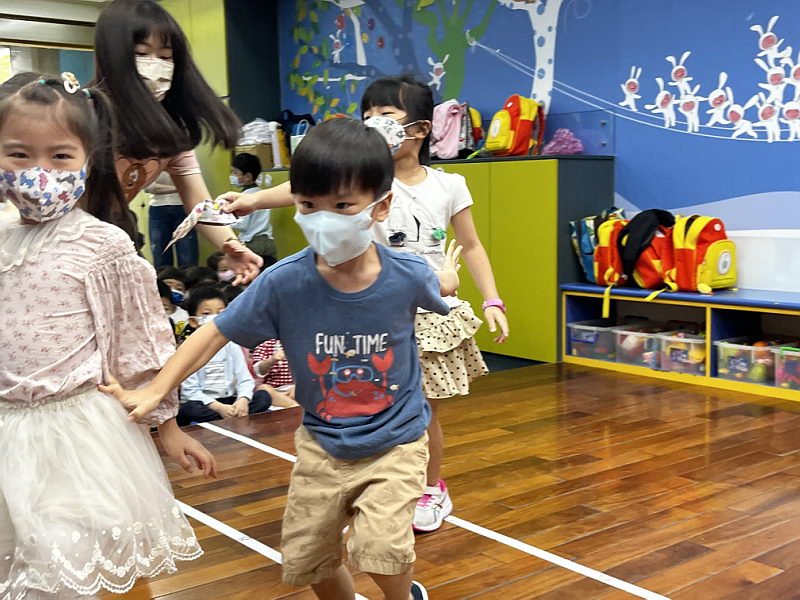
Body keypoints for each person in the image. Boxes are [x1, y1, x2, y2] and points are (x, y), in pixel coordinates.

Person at [103, 118, 464, 600]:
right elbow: (213, 333)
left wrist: (451, 276)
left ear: (381, 206)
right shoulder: (284, 282)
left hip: (395, 441)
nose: (323, 219)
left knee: (380, 547)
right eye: (308, 205)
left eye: (342, 206)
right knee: (307, 557)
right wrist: (157, 387)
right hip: (322, 443)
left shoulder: (406, 273)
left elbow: (440, 285)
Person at [219, 76, 510, 532]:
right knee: (368, 401)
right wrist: (252, 200)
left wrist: (492, 299)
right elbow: (303, 186)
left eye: (386, 115)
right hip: (374, 309)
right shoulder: (366, 180)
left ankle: (431, 489)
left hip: (428, 310)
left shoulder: (450, 184)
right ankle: (373, 482)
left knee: (423, 410)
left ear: (421, 127)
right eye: (367, 115)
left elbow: (471, 245)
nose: (374, 123)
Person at [0, 72, 216, 598]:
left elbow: (138, 341)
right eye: (18, 155)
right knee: (23, 569)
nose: (39, 172)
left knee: (93, 561)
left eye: (60, 156)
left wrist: (167, 426)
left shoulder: (102, 245)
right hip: (7, 432)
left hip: (80, 432)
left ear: (87, 159)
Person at [92, 0, 262, 283]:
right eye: (141, 53)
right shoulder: (81, 117)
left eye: (166, 56)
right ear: (110, 57)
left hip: (114, 235)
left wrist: (231, 245)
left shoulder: (170, 131)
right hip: (62, 240)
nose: (155, 66)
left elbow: (199, 204)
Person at [176, 287, 269, 426]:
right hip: (206, 403)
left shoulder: (232, 345)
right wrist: (219, 408)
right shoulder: (189, 349)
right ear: (193, 322)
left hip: (230, 399)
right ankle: (228, 416)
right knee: (189, 409)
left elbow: (245, 379)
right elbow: (190, 390)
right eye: (207, 313)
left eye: (221, 313)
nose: (215, 318)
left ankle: (233, 413)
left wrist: (242, 399)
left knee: (263, 397)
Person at [230, 152, 277, 267]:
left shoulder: (244, 197)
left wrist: (226, 221)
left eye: (235, 173)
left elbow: (243, 225)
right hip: (268, 241)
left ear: (247, 176)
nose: (232, 176)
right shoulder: (262, 193)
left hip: (252, 242)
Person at [146, 171, 198, 267]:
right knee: (160, 257)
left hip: (183, 207)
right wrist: (179, 188)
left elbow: (192, 183)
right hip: (157, 208)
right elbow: (148, 187)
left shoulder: (184, 163)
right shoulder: (151, 163)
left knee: (188, 257)